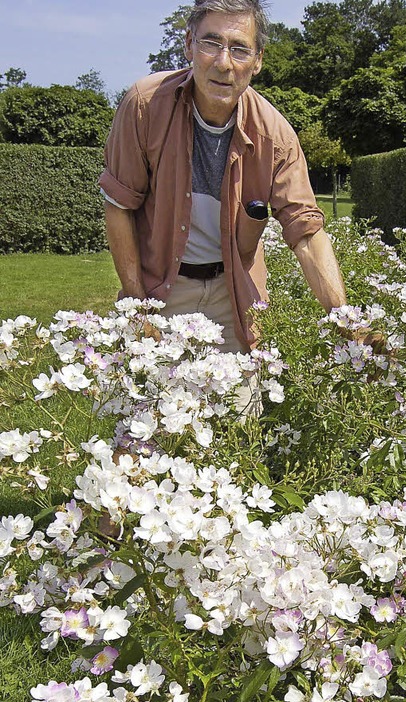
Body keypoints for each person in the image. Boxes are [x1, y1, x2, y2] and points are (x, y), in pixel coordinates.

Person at [99, 0, 354, 411]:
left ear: (257, 61)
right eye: (211, 43)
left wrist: (346, 320)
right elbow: (119, 206)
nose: (223, 62)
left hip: (234, 293)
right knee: (144, 419)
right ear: (188, 45)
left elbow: (306, 232)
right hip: (162, 286)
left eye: (239, 48)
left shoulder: (275, 135)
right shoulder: (145, 106)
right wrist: (137, 307)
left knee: (235, 422)